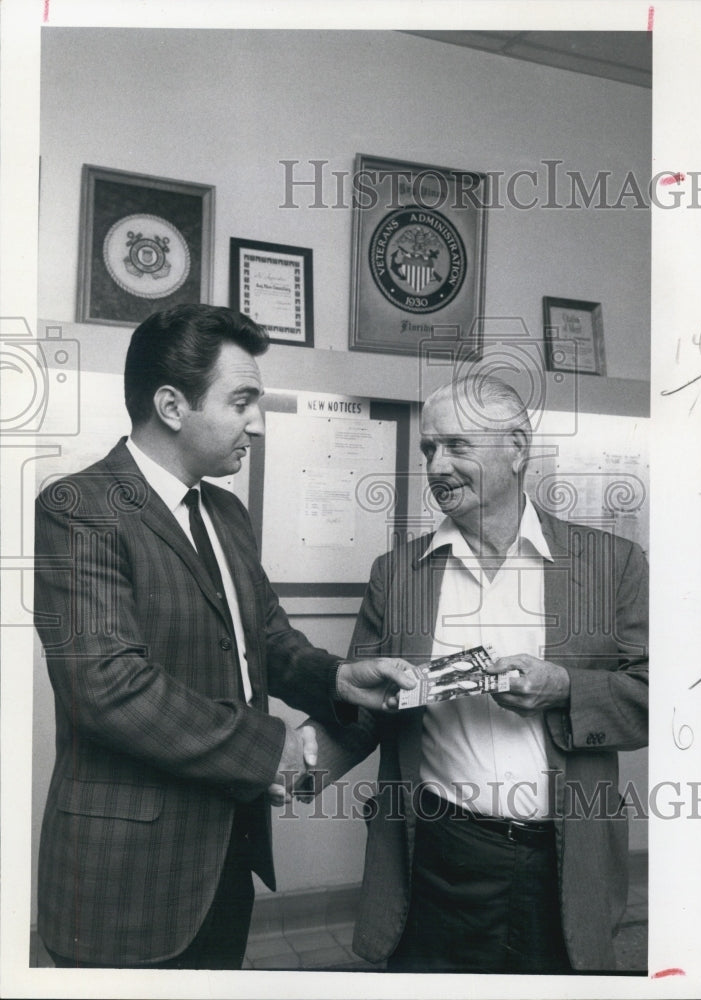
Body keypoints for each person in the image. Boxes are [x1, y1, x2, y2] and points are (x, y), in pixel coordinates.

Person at [33, 304, 415, 969]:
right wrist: (273, 750)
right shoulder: (78, 511)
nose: (258, 423)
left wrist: (338, 680)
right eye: (241, 401)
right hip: (124, 882)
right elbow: (107, 688)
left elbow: (265, 639)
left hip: (225, 858)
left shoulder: (226, 511)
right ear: (172, 405)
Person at [307, 373, 649, 974]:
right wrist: (297, 764)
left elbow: (658, 696)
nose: (437, 466)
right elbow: (366, 708)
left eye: (457, 446)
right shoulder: (398, 573)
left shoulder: (611, 564)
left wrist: (565, 689)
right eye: (428, 449)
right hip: (433, 856)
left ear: (518, 447)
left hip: (561, 861)